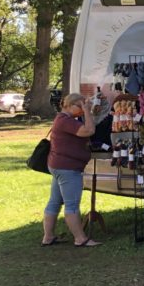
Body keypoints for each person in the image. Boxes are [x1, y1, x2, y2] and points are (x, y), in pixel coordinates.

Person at [41, 93, 100, 247]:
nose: (81, 110)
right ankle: (80, 238)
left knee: (55, 201)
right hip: (67, 168)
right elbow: (89, 130)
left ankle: (48, 237)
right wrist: (87, 111)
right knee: (72, 204)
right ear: (69, 105)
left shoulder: (64, 119)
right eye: (79, 106)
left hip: (58, 165)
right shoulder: (65, 120)